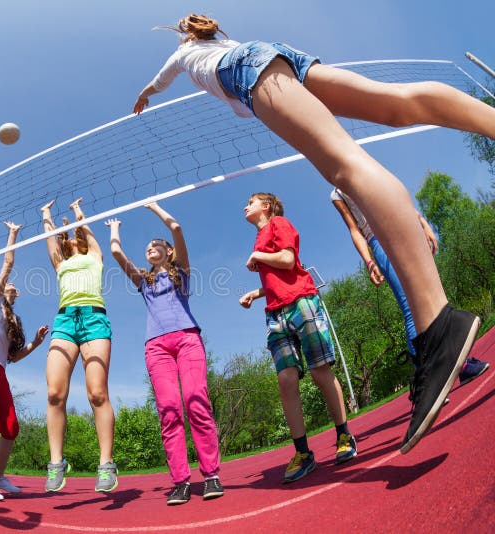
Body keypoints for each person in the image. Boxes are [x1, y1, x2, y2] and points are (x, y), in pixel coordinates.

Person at [133, 14, 490, 454]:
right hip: (277, 57)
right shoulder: (219, 44)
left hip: (251, 72)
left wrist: (144, 95)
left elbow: (159, 80)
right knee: (398, 105)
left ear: (186, 36)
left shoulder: (185, 53)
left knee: (346, 166)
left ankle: (438, 325)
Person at [106, 202, 223, 506]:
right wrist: (115, 229)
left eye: (155, 245)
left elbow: (176, 228)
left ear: (168, 252)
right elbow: (117, 254)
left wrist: (155, 207)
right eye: (147, 246)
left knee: (195, 402)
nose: (150, 248)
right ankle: (181, 481)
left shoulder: (180, 273)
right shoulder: (144, 282)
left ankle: (211, 475)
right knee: (169, 410)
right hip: (156, 347)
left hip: (187, 340)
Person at [239, 193, 357, 483]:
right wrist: (257, 293)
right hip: (275, 312)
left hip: (302, 302)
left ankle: (344, 436)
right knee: (286, 380)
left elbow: (289, 260)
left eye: (251, 202)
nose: (246, 206)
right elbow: (276, 278)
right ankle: (303, 453)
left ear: (265, 207)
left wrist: (258, 256)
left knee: (320, 371)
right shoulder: (258, 240)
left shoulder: (279, 223)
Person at [331, 188, 489, 386]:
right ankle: (425, 380)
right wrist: (369, 261)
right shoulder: (337, 194)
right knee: (411, 307)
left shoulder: (363, 163)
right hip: (378, 239)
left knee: (434, 300)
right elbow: (355, 230)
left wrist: (422, 223)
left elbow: (395, 198)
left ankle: (462, 365)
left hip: (402, 226)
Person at [40, 198, 117, 493]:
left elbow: (87, 230)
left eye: (75, 234)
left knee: (97, 393)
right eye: (67, 236)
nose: (71, 237)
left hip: (94, 320)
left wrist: (77, 213)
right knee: (54, 393)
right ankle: (56, 463)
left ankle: (106, 463)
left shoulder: (95, 256)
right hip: (65, 322)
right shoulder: (61, 263)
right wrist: (46, 214)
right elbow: (50, 241)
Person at [0, 222, 49, 501]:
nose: (12, 288)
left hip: (0, 370)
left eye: (15, 288)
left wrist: (36, 344)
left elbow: (13, 357)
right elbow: (7, 263)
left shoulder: (13, 320)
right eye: (10, 286)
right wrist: (13, 234)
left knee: (11, 427)